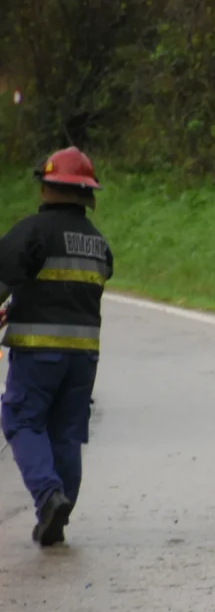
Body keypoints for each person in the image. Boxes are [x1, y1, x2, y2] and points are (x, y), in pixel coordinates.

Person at [0, 146, 112, 546]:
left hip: (37, 355)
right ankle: (58, 516)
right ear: (86, 193)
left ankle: (49, 497)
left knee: (21, 420)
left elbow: (7, 275)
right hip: (83, 360)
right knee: (66, 433)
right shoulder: (99, 244)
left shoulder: (32, 232)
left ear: (47, 187)